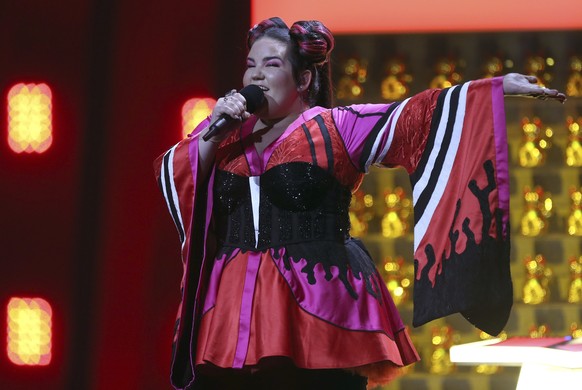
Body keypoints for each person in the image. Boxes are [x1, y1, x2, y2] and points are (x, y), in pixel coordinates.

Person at [154, 17, 565, 390]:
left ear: (303, 80)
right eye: (250, 64)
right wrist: (214, 126)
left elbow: (414, 115)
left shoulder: (338, 127)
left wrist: (490, 89)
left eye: (272, 65)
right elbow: (175, 174)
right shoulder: (225, 137)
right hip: (230, 310)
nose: (256, 74)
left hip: (316, 303)